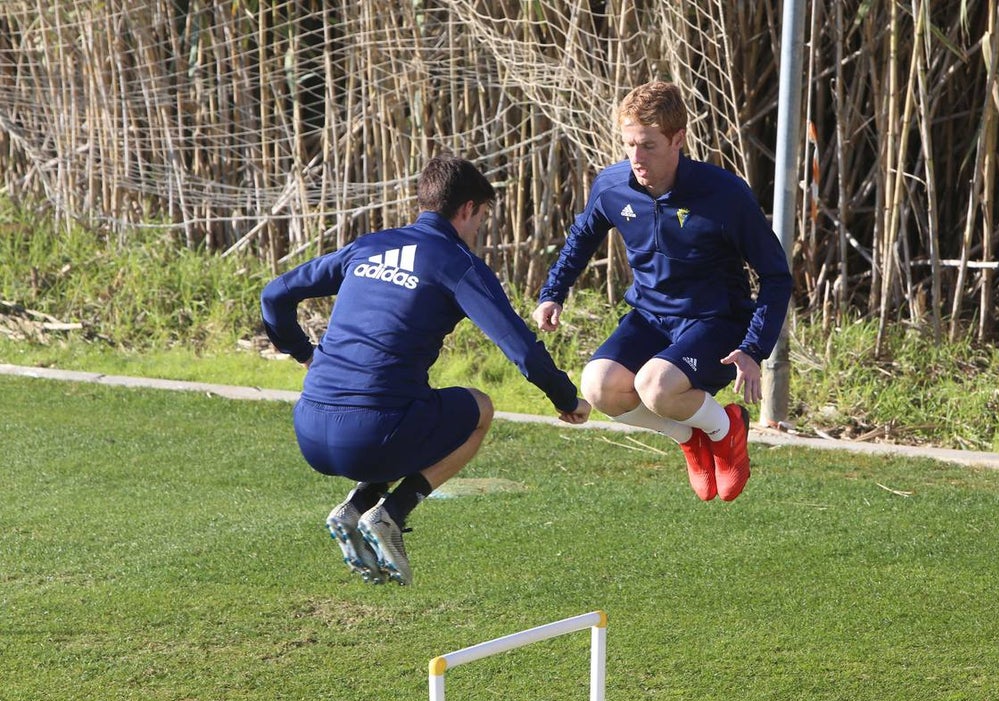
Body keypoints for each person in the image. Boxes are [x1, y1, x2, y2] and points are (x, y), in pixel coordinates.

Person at [261, 154, 591, 586]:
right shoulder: (456, 263)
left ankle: (358, 504)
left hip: (308, 429)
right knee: (480, 409)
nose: (477, 232)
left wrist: (305, 354)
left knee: (412, 406)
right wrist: (567, 400)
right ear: (468, 208)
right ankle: (392, 513)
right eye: (481, 218)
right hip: (373, 437)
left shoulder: (369, 246)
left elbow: (274, 295)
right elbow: (522, 351)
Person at [532, 81, 792, 502]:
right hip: (651, 316)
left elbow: (776, 276)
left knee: (656, 386)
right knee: (598, 386)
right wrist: (553, 292)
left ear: (678, 139)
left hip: (715, 322)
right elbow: (581, 237)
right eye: (630, 144)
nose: (636, 157)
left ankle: (728, 429)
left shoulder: (724, 195)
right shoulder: (613, 186)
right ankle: (690, 437)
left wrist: (753, 348)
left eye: (648, 145)